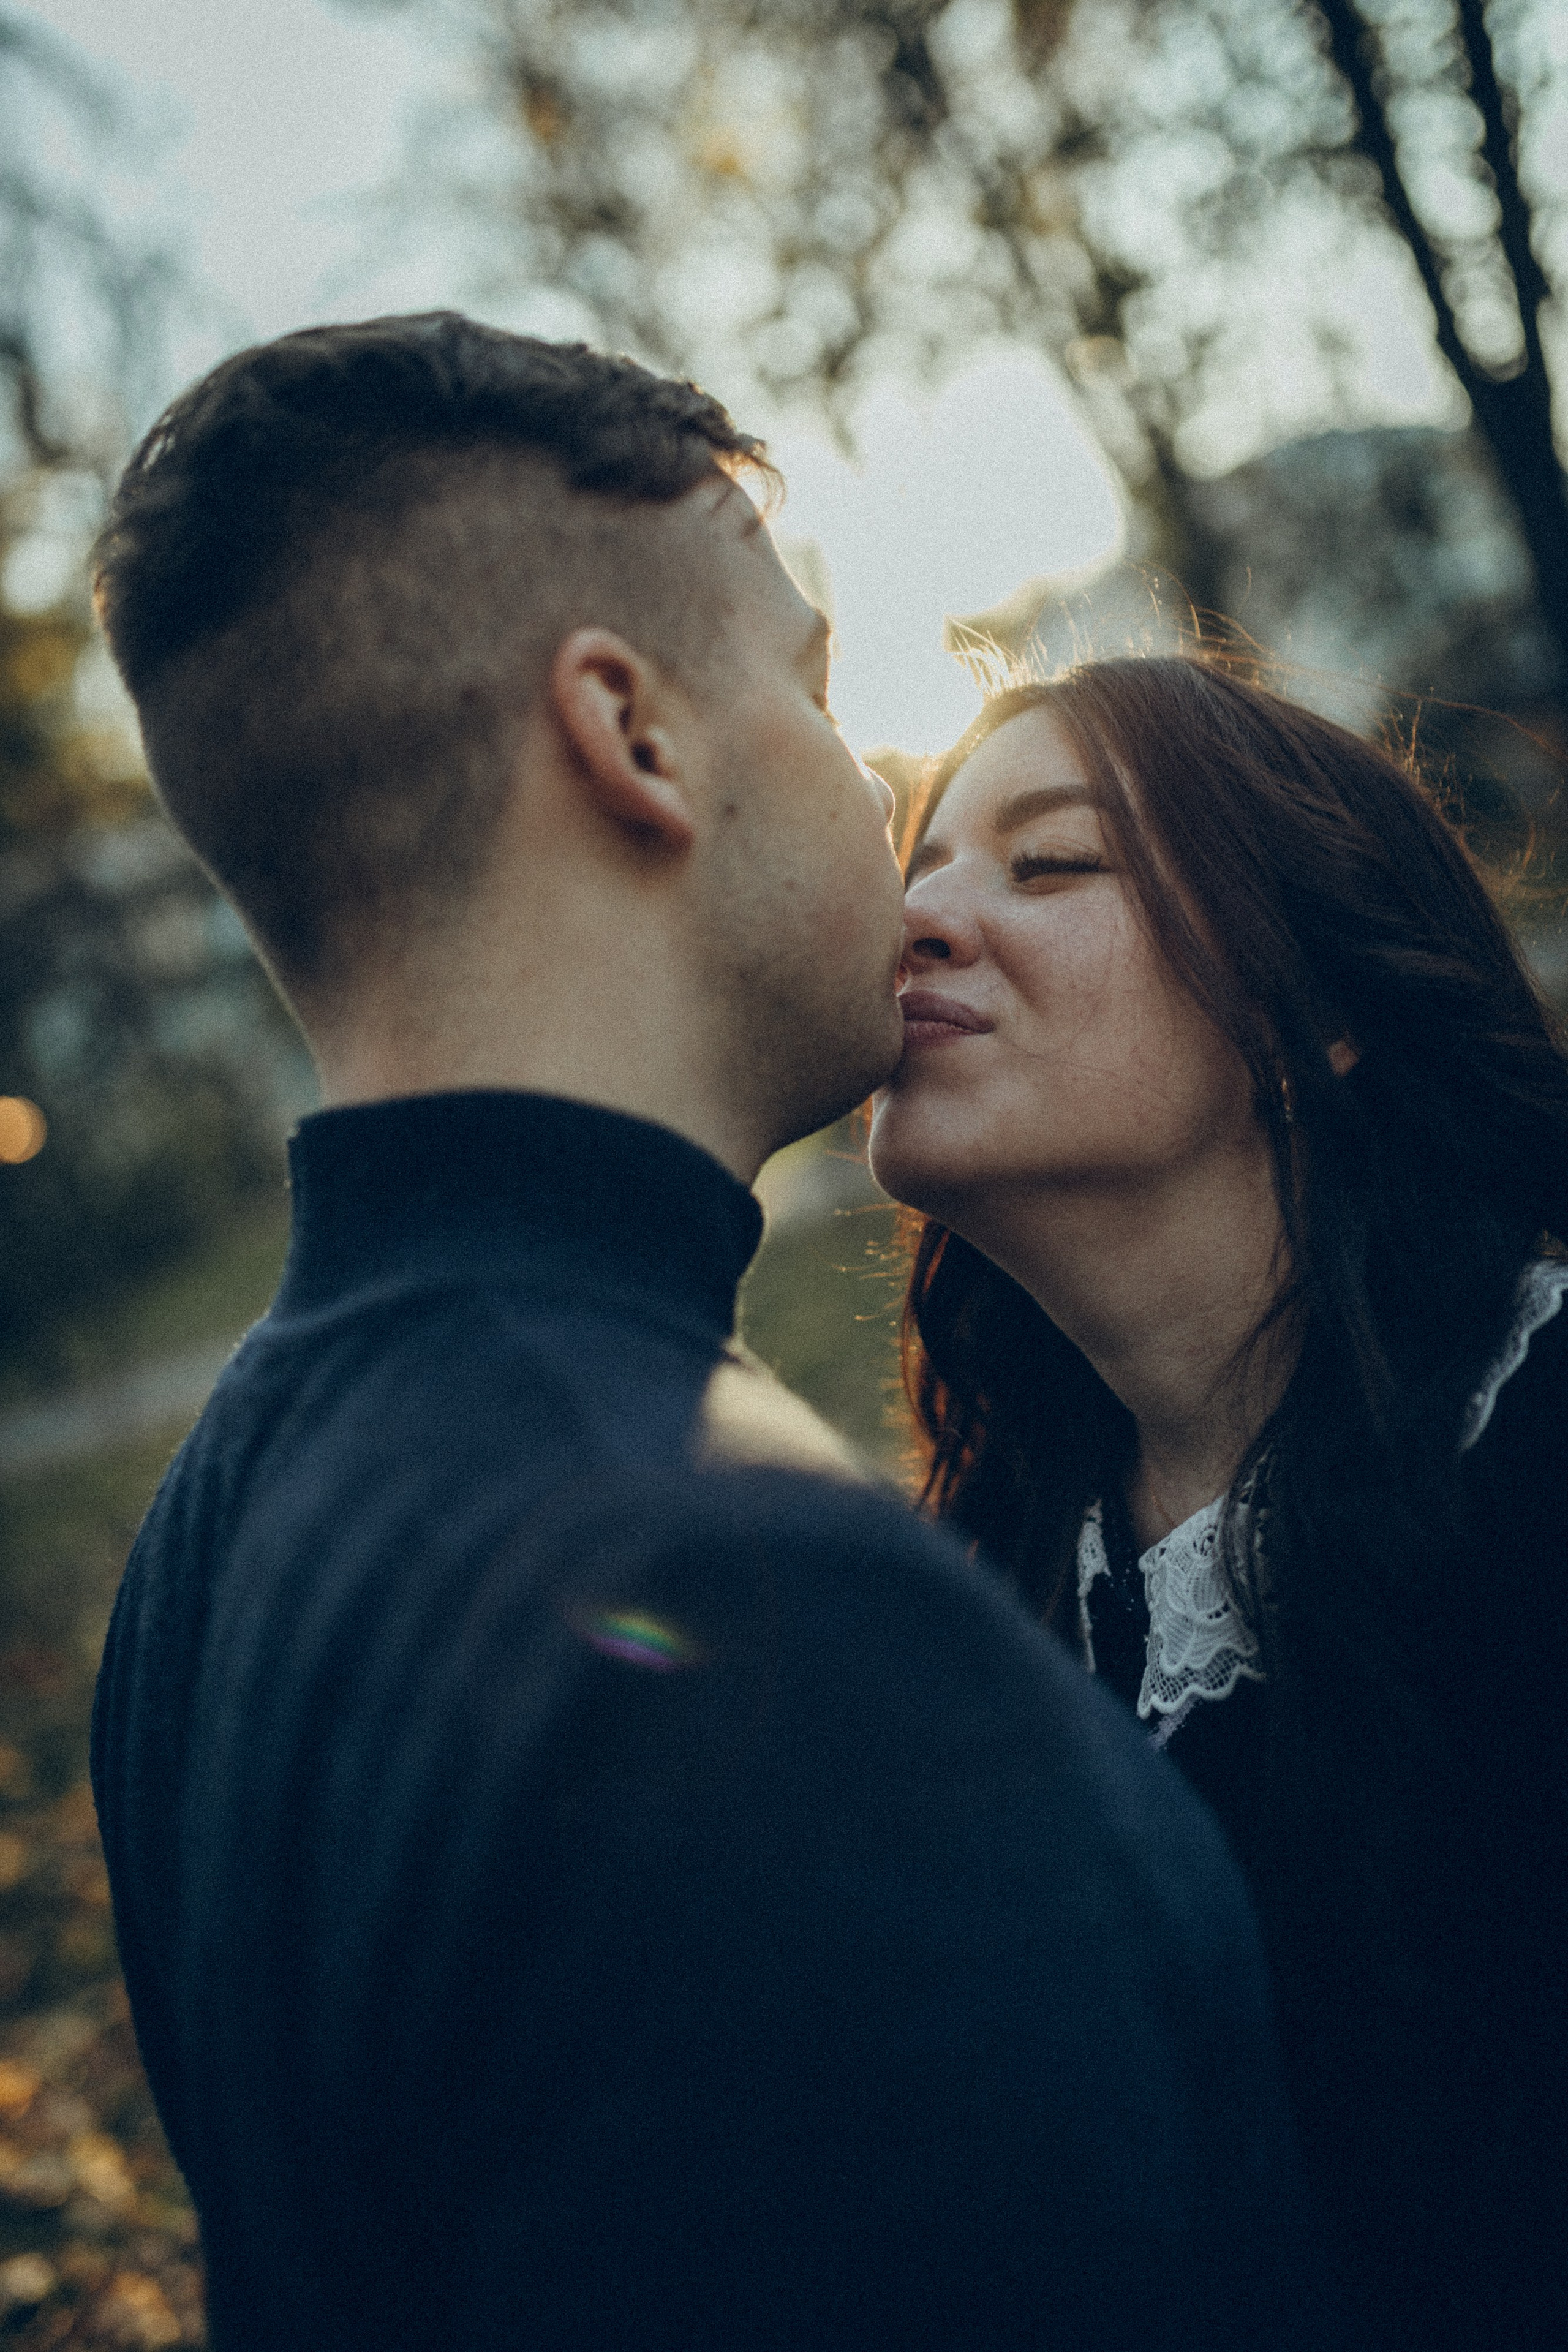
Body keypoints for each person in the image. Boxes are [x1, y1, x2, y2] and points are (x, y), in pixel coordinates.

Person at [87, 318, 1332, 2351]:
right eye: (818, 684)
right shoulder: (754, 1605)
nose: (871, 789)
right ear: (633, 735)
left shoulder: (202, 1543)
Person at [870, 652, 1568, 2352]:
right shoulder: (996, 1590)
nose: (922, 922)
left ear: (1307, 1012)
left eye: (1049, 863)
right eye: (921, 865)